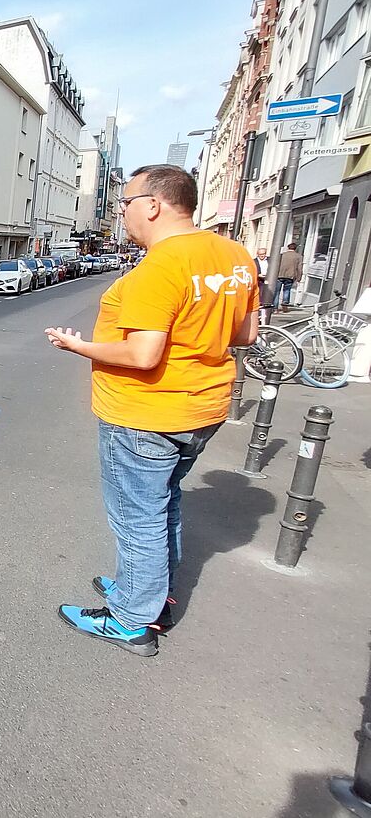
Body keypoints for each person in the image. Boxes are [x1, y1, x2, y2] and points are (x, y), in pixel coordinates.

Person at [44, 165, 259, 657]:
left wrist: (79, 348)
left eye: (125, 203)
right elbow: (245, 335)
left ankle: (130, 620)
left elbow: (143, 355)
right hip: (203, 406)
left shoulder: (160, 265)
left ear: (154, 204)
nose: (122, 213)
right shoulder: (235, 255)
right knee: (165, 502)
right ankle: (151, 596)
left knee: (137, 516)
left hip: (146, 413)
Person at [277, 242, 303, 312]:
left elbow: (277, 265)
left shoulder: (282, 255)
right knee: (287, 291)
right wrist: (299, 278)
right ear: (295, 248)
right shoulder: (298, 256)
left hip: (279, 275)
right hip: (290, 276)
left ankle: (275, 307)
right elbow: (299, 268)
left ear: (288, 248)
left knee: (277, 291)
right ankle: (285, 306)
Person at [254, 247, 273, 312]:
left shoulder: (270, 260)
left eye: (263, 254)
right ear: (257, 254)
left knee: (268, 292)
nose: (262, 255)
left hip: (268, 278)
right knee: (259, 292)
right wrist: (258, 274)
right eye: (260, 254)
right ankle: (259, 305)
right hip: (258, 279)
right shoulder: (254, 261)